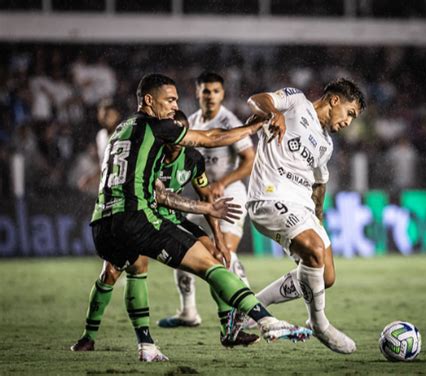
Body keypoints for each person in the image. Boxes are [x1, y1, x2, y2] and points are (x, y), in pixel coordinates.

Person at [71, 73, 311, 362]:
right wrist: (257, 126)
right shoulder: (158, 129)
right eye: (170, 100)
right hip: (137, 216)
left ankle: (147, 346)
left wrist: (210, 219)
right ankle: (268, 322)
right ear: (149, 100)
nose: (174, 106)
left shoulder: (121, 129)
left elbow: (191, 187)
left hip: (102, 224)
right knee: (209, 266)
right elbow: (211, 139)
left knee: (137, 267)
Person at [70, 111, 259, 353]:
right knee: (113, 272)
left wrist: (219, 240)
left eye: (180, 135)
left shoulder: (193, 159)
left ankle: (229, 330)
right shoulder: (151, 154)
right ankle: (88, 336)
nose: (175, 141)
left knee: (214, 257)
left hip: (172, 219)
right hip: (142, 218)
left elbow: (207, 197)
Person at [241, 79, 366, 354]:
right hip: (270, 196)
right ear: (334, 100)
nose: (349, 122)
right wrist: (274, 114)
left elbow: (320, 182)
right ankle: (319, 323)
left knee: (326, 277)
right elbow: (256, 99)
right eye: (350, 113)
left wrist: (318, 217)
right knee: (313, 249)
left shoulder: (326, 144)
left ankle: (249, 309)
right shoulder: (296, 102)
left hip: (302, 207)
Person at [158, 72, 256, 328]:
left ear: (222, 94)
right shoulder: (190, 121)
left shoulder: (229, 120)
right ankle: (188, 312)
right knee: (180, 244)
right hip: (203, 195)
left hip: (229, 194)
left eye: (215, 91)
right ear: (197, 93)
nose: (210, 96)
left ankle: (248, 308)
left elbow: (249, 160)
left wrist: (222, 183)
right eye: (206, 91)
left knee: (226, 253)